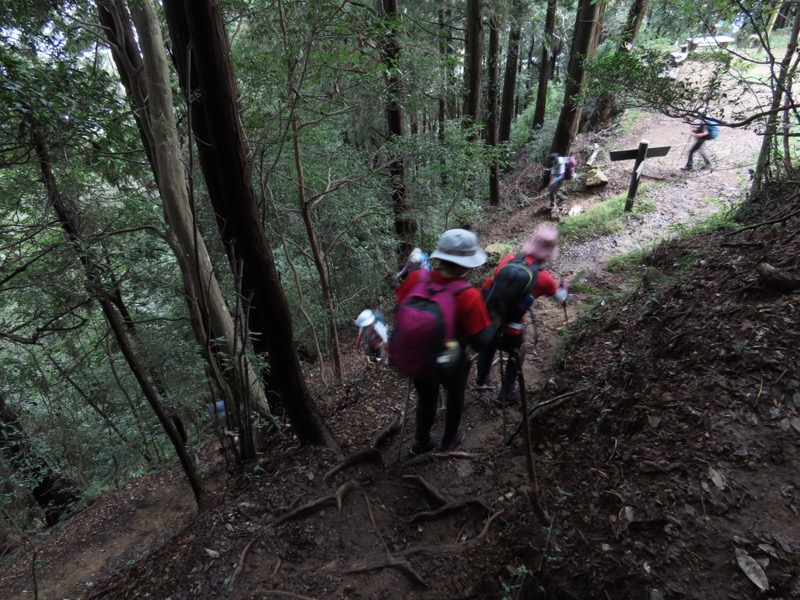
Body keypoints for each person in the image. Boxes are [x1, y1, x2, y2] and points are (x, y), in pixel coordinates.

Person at [395, 229, 495, 455]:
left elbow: (400, 308)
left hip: (418, 356)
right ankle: (449, 439)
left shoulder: (416, 279)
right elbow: (481, 343)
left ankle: (421, 442)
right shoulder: (469, 295)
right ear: (466, 264)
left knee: (427, 400)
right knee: (455, 394)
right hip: (450, 359)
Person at [476, 225, 569, 406]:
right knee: (517, 355)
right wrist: (565, 288)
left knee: (488, 348)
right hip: (512, 331)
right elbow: (561, 299)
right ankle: (506, 394)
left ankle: (481, 377)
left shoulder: (508, 260)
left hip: (490, 322)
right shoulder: (545, 279)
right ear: (548, 254)